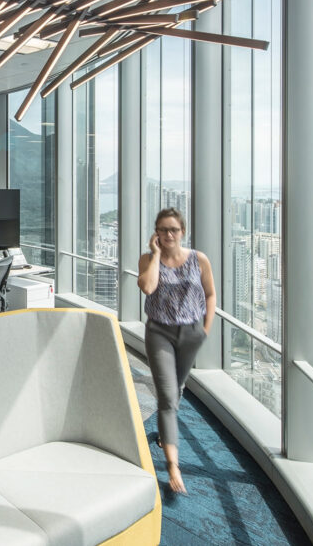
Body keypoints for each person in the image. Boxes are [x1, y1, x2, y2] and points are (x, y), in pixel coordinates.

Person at [137, 208, 216, 495]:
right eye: (162, 229)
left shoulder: (199, 259)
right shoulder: (148, 259)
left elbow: (209, 294)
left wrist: (204, 330)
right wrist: (156, 255)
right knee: (168, 397)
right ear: (155, 233)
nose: (169, 234)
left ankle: (165, 429)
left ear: (183, 231)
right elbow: (147, 287)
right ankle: (173, 465)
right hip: (160, 333)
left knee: (177, 387)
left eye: (173, 229)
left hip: (191, 333)